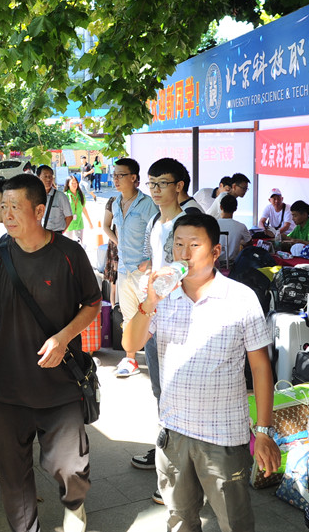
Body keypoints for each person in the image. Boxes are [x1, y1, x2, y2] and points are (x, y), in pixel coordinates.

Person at [123, 213, 280, 531]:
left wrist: (264, 432)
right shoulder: (163, 297)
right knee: (180, 518)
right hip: (174, 433)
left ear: (215, 251)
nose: (184, 253)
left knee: (234, 522)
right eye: (178, 245)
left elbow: (261, 367)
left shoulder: (240, 298)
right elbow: (130, 343)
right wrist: (149, 301)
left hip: (223, 437)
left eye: (194, 245)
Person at [0, 173, 100, 532]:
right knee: (12, 474)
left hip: (61, 385)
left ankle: (74, 506)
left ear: (39, 210)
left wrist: (64, 337)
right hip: (9, 388)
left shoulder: (69, 253)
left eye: (15, 206)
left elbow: (92, 304)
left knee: (70, 467)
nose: (6, 214)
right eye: (2, 206)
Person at [131, 157, 196, 479]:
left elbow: (191, 268)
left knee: (181, 388)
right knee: (160, 388)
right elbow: (151, 260)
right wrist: (147, 280)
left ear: (179, 186)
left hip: (183, 317)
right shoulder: (155, 220)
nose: (155, 190)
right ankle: (166, 447)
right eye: (152, 184)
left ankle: (182, 461)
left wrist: (158, 283)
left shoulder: (189, 222)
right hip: (156, 313)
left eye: (162, 184)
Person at [107, 157, 158, 379]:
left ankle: (156, 360)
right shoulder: (115, 203)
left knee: (150, 315)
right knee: (128, 315)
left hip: (142, 270)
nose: (116, 179)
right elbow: (115, 231)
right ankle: (130, 359)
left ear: (134, 178)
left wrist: (151, 260)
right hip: (124, 268)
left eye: (121, 175)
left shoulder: (147, 204)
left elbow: (158, 234)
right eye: (114, 175)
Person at [36, 165, 74, 234]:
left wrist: (61, 233)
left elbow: (69, 217)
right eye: (45, 176)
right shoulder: (34, 196)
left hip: (55, 234)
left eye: (50, 176)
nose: (48, 179)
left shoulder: (61, 196)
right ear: (38, 178)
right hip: (38, 234)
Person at [217, 195, 252, 266]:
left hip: (215, 264)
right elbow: (249, 243)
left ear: (221, 207)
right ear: (235, 209)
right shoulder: (241, 226)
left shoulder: (213, 224)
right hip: (233, 265)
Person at [63, 174, 92, 243]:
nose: (74, 185)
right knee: (69, 244)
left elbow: (84, 209)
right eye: (72, 183)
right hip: (68, 224)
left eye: (75, 182)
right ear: (68, 184)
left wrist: (90, 222)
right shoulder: (65, 195)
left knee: (79, 243)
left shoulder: (81, 194)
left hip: (79, 223)